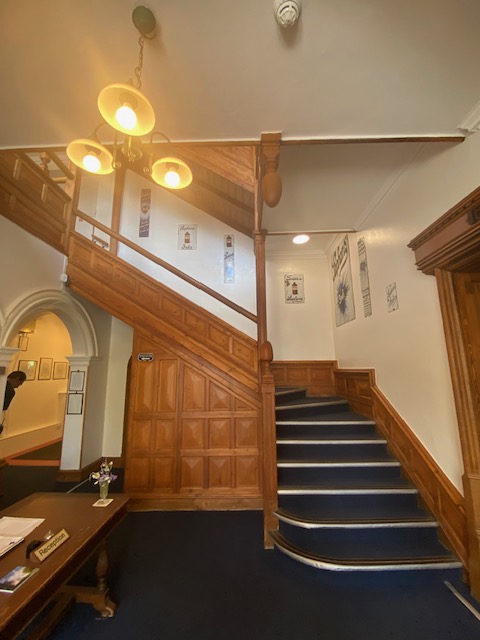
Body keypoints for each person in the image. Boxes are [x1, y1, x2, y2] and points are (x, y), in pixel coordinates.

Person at [1, 371, 27, 435]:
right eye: (20, 383)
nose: (18, 386)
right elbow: (4, 407)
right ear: (17, 379)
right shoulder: (10, 391)